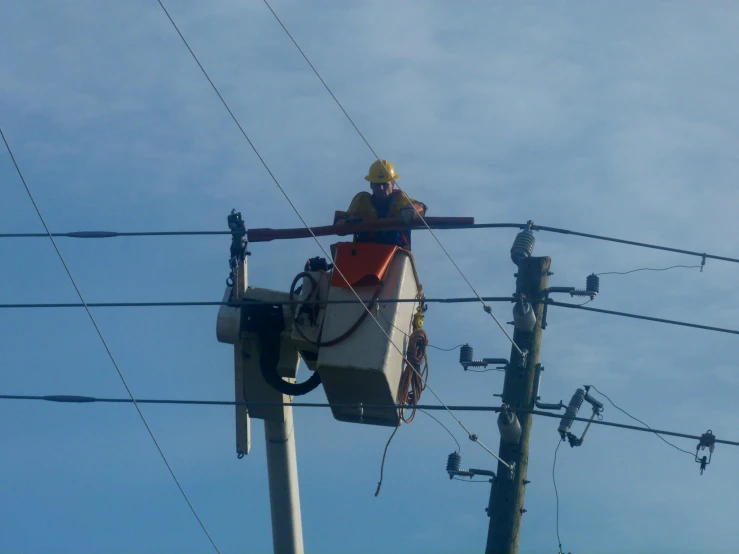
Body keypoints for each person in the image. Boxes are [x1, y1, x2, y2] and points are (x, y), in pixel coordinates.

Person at [336, 159, 427, 251]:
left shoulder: (400, 200)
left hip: (396, 256)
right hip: (365, 255)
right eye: (377, 185)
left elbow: (420, 207)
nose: (381, 188)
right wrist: (347, 222)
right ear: (371, 185)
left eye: (385, 184)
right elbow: (339, 225)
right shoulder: (362, 201)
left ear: (393, 184)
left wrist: (412, 211)